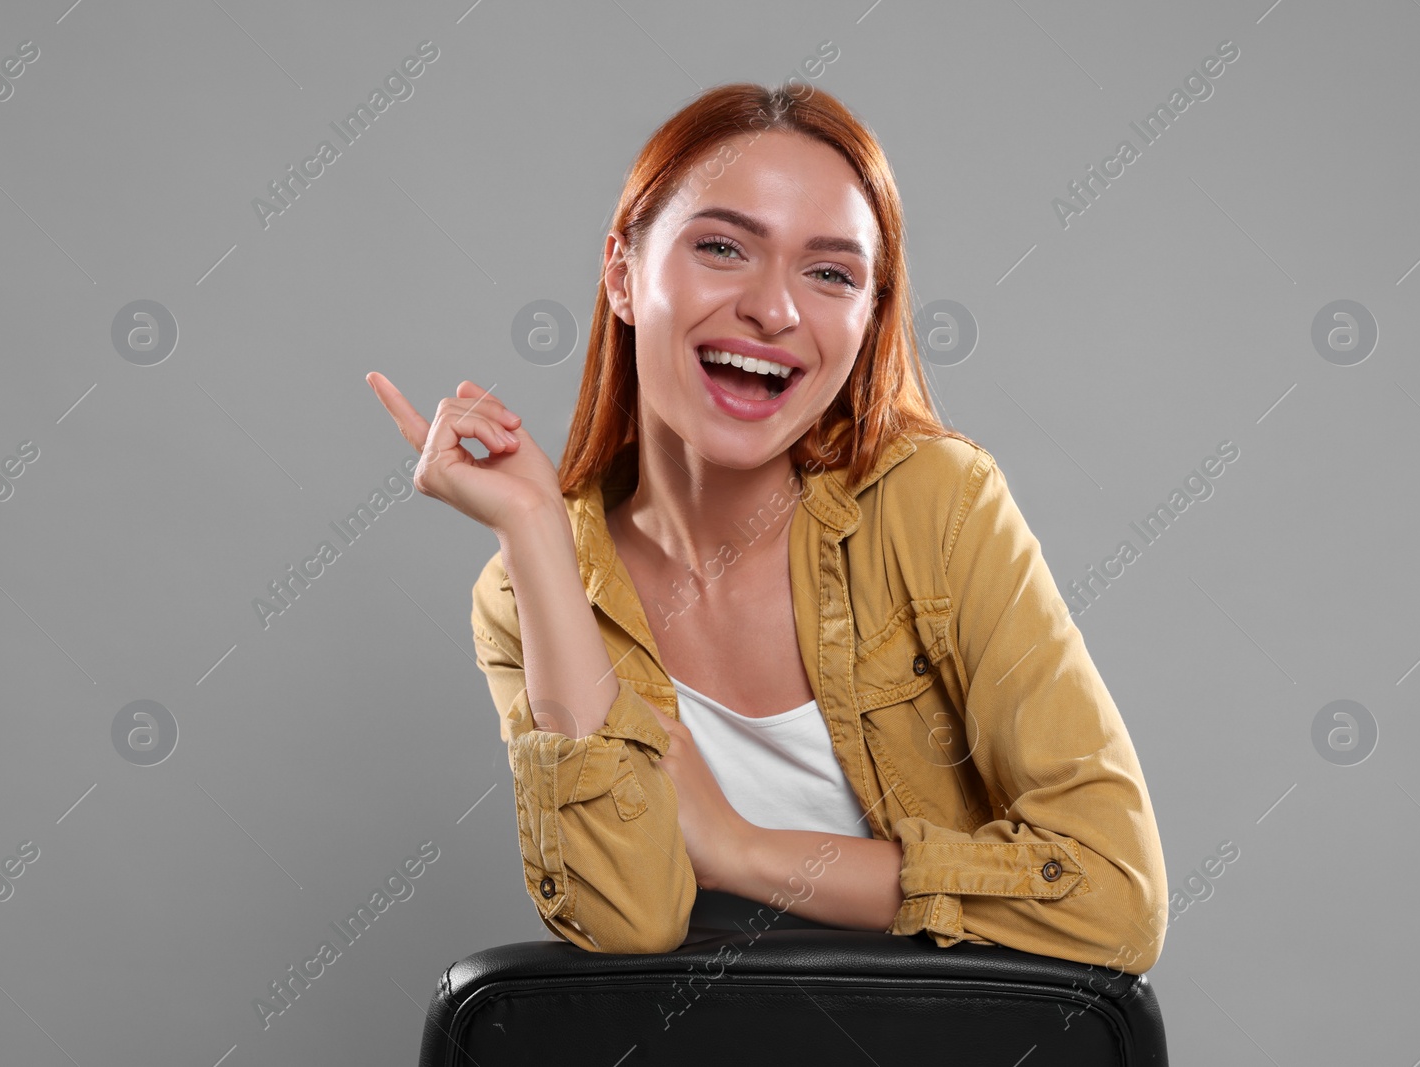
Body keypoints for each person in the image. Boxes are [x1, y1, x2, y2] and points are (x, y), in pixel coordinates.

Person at [367, 82, 1168, 973]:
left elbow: (1115, 897)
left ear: (867, 320)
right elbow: (623, 919)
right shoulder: (525, 594)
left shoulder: (938, 505)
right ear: (623, 273)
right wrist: (534, 532)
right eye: (722, 247)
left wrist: (741, 849)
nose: (774, 309)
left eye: (830, 273)